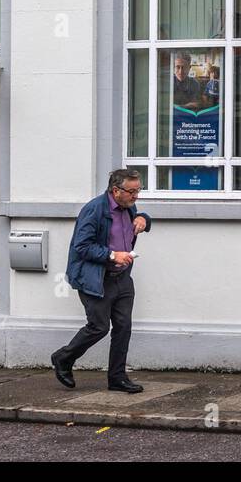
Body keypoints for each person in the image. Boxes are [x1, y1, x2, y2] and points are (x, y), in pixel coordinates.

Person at [51, 168, 150, 392]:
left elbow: (140, 220)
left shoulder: (129, 207)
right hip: (96, 278)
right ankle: (63, 358)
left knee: (123, 327)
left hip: (122, 278)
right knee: (99, 327)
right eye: (132, 191)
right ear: (116, 191)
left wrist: (145, 218)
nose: (136, 196)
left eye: (138, 190)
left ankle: (117, 378)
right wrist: (113, 255)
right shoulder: (94, 210)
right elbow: (82, 246)